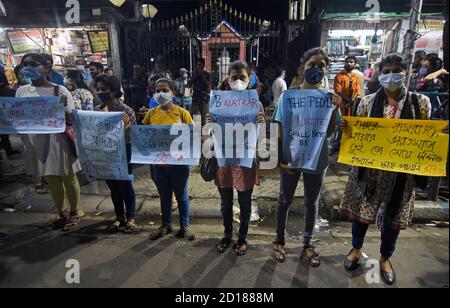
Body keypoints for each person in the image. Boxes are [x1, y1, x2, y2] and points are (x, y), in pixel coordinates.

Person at [340, 53, 433, 285]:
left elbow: (426, 137)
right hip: (370, 174)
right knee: (361, 216)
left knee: (393, 220)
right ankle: (355, 248)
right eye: (386, 71)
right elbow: (358, 136)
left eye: (396, 70)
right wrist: (347, 129)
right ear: (379, 74)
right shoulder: (367, 103)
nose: (391, 75)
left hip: (400, 176)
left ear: (406, 72)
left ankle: (385, 257)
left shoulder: (420, 103)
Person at [272, 47, 342, 267]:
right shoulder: (289, 97)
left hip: (317, 158)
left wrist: (335, 108)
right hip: (291, 158)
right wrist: (278, 160)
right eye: (313, 64)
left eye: (322, 66)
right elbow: (279, 128)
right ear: (302, 69)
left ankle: (308, 243)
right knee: (285, 199)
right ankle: (279, 241)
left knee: (312, 203)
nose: (317, 69)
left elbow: (328, 132)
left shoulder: (328, 100)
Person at [16, 53, 81, 231]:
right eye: (25, 64)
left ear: (45, 67)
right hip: (36, 141)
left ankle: (74, 212)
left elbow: (72, 117)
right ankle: (62, 212)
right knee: (51, 178)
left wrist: (61, 107)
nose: (29, 67)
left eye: (34, 64)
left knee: (68, 176)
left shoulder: (59, 90)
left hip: (58, 139)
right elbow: (17, 115)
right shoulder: (22, 91)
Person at [206, 60, 266, 256]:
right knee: (225, 203)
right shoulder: (218, 103)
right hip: (224, 161)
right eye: (235, 77)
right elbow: (209, 133)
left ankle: (242, 237)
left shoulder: (256, 105)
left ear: (249, 80)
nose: (238, 81)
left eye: (243, 77)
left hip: (245, 161)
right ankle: (227, 235)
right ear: (228, 79)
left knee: (245, 202)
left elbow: (263, 137)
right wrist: (209, 123)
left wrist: (263, 124)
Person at [143, 78, 196, 241]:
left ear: (173, 92)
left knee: (181, 196)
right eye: (157, 90)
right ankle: (165, 226)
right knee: (165, 196)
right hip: (159, 164)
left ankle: (184, 226)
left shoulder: (182, 113)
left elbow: (192, 135)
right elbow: (143, 136)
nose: (160, 93)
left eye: (164, 90)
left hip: (179, 165)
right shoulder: (150, 114)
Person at [94, 75, 138, 233]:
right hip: (106, 153)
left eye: (104, 89)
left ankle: (131, 216)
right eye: (98, 89)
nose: (100, 92)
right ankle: (119, 216)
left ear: (113, 90)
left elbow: (135, 136)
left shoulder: (126, 110)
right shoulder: (97, 111)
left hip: (123, 152)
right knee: (113, 186)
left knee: (125, 185)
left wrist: (126, 129)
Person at [329, 55, 362, 155]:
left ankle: (345, 146)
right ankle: (335, 146)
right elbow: (338, 91)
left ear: (355, 64)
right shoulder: (339, 76)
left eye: (351, 62)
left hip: (351, 106)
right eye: (347, 61)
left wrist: (352, 101)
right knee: (339, 125)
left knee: (348, 125)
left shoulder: (356, 77)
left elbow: (357, 91)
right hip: (341, 105)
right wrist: (348, 101)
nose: (349, 63)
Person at [190, 58, 211, 125]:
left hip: (204, 98)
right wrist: (195, 75)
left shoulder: (207, 74)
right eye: (197, 64)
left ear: (203, 65)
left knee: (205, 117)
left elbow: (208, 85)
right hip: (196, 98)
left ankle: (205, 133)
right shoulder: (194, 74)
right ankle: (197, 132)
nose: (198, 66)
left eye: (200, 64)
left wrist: (202, 75)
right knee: (195, 117)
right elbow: (189, 84)